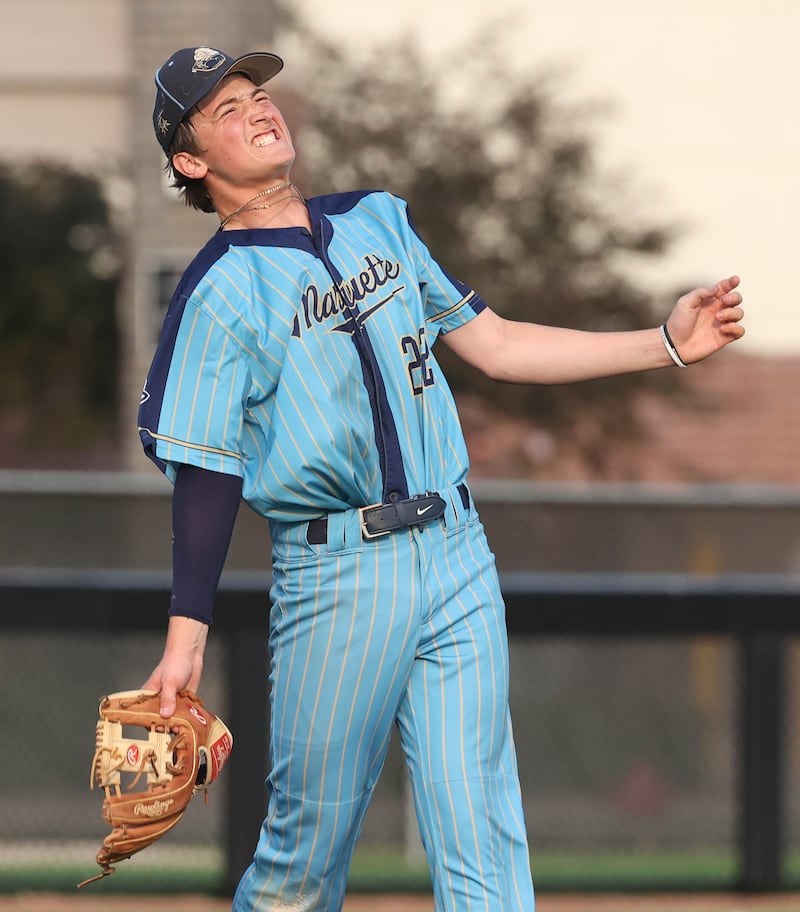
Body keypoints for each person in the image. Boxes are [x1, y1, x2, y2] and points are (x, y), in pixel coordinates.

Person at [138, 46, 745, 912]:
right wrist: (186, 633)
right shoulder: (217, 293)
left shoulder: (377, 222)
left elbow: (496, 347)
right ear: (190, 162)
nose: (258, 110)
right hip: (337, 577)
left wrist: (668, 343)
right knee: (302, 862)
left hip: (457, 554)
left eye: (258, 94)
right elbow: (204, 472)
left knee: (483, 834)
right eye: (226, 110)